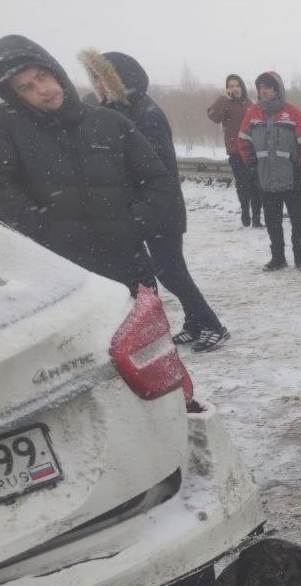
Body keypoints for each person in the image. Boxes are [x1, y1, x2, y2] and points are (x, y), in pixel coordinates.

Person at [0, 35, 176, 293]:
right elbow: (4, 191)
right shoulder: (9, 133)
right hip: (61, 277)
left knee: (145, 333)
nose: (42, 89)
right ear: (15, 96)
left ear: (55, 71)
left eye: (42, 76)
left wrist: (134, 224)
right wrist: (46, 230)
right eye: (26, 87)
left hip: (129, 268)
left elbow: (158, 179)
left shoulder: (109, 122)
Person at [81, 49, 230, 352]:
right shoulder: (122, 112)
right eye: (94, 80)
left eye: (102, 80)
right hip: (143, 206)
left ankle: (213, 325)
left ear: (118, 80)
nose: (97, 87)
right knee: (170, 268)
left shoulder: (145, 113)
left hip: (161, 207)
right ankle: (194, 322)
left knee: (170, 270)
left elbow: (157, 167)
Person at [238, 71, 301, 271]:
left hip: (292, 179)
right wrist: (252, 165)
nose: (264, 91)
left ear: (277, 89)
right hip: (265, 179)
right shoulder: (252, 113)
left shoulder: (293, 112)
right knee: (273, 223)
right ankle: (278, 258)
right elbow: (243, 141)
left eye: (269, 87)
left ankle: (300, 258)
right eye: (261, 88)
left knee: (298, 221)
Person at [207, 74, 261, 227]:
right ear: (227, 89)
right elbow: (213, 116)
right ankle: (245, 212)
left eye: (236, 85)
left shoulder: (249, 103)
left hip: (252, 151)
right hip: (235, 151)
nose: (234, 88)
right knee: (242, 184)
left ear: (241, 86)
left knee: (256, 185)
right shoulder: (225, 103)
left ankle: (257, 217)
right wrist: (222, 99)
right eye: (230, 86)